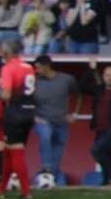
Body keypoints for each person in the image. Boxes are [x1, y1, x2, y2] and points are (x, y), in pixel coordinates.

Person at [0, 39, 39, 199]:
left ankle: (26, 192)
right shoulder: (29, 67)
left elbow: (6, 94)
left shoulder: (7, 68)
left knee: (16, 152)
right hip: (29, 112)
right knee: (9, 152)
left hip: (14, 112)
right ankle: (1, 190)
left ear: (6, 53)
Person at [30, 54, 77, 182]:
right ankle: (46, 168)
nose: (36, 70)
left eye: (38, 68)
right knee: (46, 134)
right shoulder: (34, 81)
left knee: (59, 150)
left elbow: (79, 95)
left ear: (47, 67)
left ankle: (50, 179)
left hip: (61, 122)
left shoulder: (67, 80)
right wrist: (33, 116)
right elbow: (26, 100)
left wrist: (74, 113)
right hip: (42, 119)